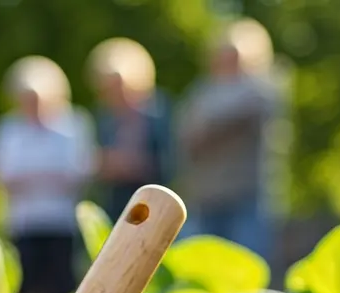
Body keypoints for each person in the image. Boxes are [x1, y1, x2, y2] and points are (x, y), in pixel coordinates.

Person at [0, 56, 96, 293]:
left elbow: (80, 171)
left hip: (61, 222)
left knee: (61, 292)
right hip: (23, 223)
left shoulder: (73, 124)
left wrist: (31, 177)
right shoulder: (7, 129)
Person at [176, 18, 284, 263]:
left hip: (245, 197)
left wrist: (211, 125)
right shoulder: (202, 91)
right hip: (206, 198)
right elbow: (187, 135)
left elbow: (221, 123)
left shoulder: (260, 90)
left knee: (247, 269)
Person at [87, 38, 175, 220]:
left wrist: (133, 165)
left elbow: (172, 162)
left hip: (154, 204)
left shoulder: (158, 114)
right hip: (115, 204)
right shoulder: (104, 119)